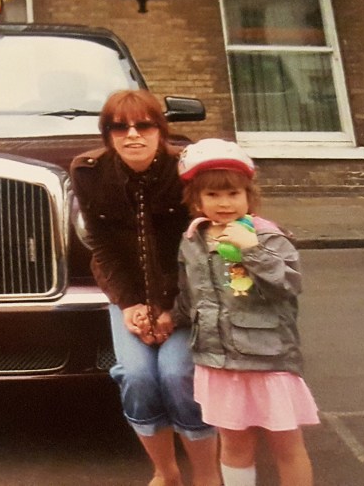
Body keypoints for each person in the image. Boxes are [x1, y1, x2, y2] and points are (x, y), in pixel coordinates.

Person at [70, 90, 219, 486]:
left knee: (176, 375)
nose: (132, 135)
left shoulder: (184, 170)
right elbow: (100, 244)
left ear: (160, 130)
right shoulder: (88, 171)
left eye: (143, 125)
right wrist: (129, 305)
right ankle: (166, 472)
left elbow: (201, 249)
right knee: (136, 376)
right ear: (107, 134)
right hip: (129, 297)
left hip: (185, 296)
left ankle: (207, 475)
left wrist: (173, 308)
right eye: (119, 127)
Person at [173, 138, 319, 486]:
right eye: (213, 195)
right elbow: (188, 294)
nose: (224, 203)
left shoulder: (269, 238)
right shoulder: (192, 239)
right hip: (218, 361)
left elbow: (287, 286)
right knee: (234, 445)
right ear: (196, 200)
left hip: (269, 359)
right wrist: (169, 319)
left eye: (233, 194)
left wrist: (251, 251)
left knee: (286, 443)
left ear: (249, 196)